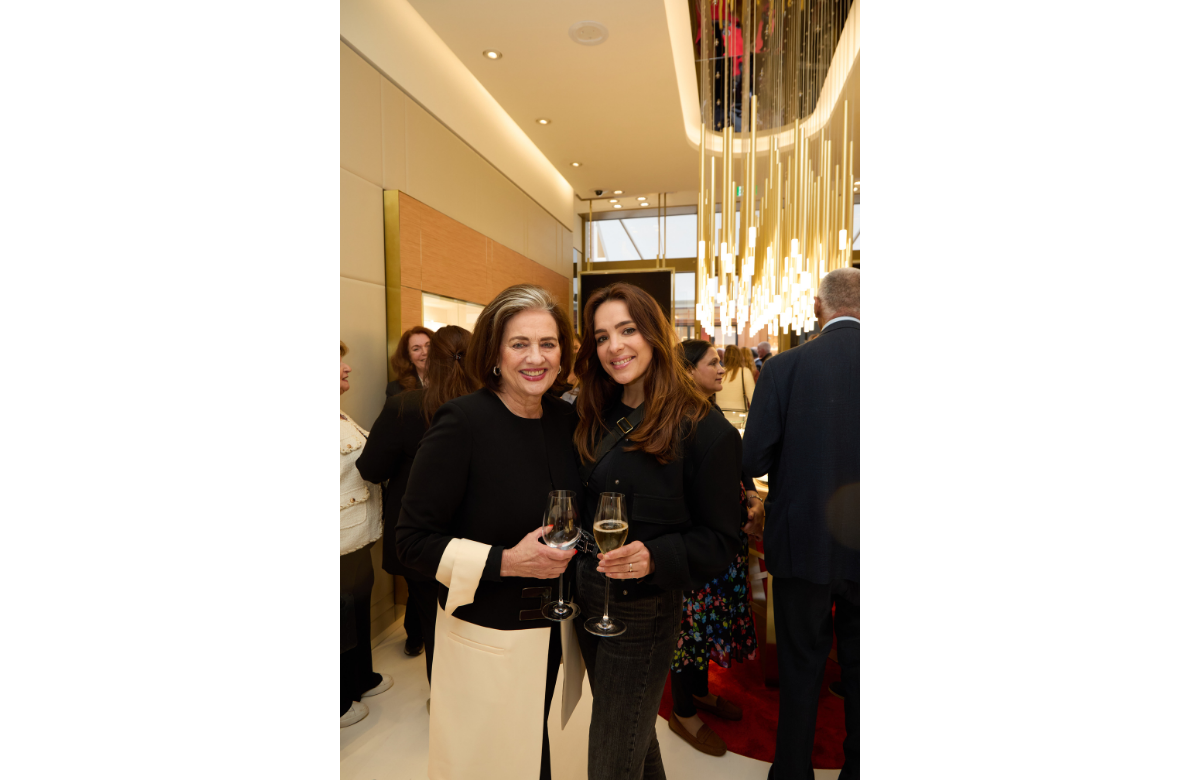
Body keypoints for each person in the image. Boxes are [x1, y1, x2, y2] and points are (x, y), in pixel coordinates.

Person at [395, 285, 582, 780]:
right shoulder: (463, 421)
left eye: (548, 343)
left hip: (553, 628)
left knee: (532, 750)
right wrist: (506, 561)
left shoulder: (567, 418)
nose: (536, 358)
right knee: (494, 764)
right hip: (487, 632)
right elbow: (411, 541)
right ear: (495, 354)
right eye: (519, 344)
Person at [571, 282, 742, 780]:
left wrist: (655, 556)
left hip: (642, 610)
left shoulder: (705, 430)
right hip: (586, 594)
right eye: (602, 336)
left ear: (654, 335)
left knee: (610, 759)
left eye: (627, 330)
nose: (614, 346)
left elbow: (721, 540)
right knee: (634, 734)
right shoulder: (592, 413)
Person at [742, 267, 860, 780]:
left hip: (803, 540)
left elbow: (753, 457)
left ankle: (792, 771)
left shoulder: (784, 368)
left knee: (799, 667)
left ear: (817, 307)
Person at [356, 326, 478, 683]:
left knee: (432, 619)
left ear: (431, 361)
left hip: (423, 536)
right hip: (479, 535)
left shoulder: (404, 407)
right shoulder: (493, 404)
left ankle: (444, 702)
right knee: (476, 623)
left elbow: (371, 468)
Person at [666, 339, 763, 756]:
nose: (722, 369)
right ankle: (682, 710)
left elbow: (735, 466)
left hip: (722, 539)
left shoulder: (710, 409)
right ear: (688, 371)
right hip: (699, 541)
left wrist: (751, 495)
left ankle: (700, 692)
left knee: (704, 627)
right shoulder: (679, 418)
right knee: (689, 629)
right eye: (712, 363)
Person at [340, 341, 390, 728]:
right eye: (338, 363)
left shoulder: (342, 415)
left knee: (357, 610)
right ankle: (341, 703)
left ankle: (361, 678)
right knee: (342, 621)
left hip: (357, 538)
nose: (347, 369)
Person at [386, 326, 435, 396]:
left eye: (428, 346)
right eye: (416, 349)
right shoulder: (396, 389)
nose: (425, 352)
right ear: (409, 357)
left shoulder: (450, 381)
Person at [714, 341, 755, 412]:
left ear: (724, 357)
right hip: (740, 413)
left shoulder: (719, 371)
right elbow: (753, 398)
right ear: (740, 356)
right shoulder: (744, 371)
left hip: (720, 413)